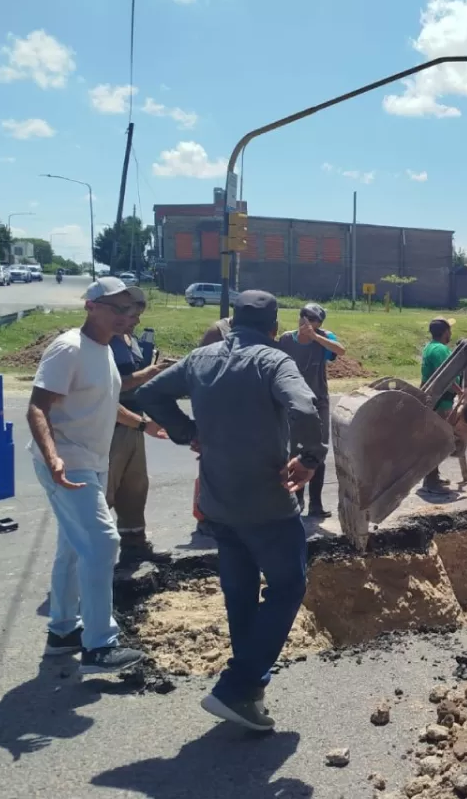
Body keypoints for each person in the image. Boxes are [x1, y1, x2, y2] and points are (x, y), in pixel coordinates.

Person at [137, 290, 325, 732]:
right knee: (288, 586)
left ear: (231, 320)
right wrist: (310, 458)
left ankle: (248, 695)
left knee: (239, 596)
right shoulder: (274, 361)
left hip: (218, 504)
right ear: (274, 327)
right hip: (268, 504)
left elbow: (148, 394)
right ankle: (237, 686)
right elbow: (305, 405)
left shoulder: (201, 359)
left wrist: (188, 432)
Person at [27, 276, 147, 674]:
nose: (123, 316)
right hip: (68, 459)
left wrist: (144, 425)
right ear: (90, 306)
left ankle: (63, 631)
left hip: (92, 459)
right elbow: (38, 407)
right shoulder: (69, 348)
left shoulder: (104, 350)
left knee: (74, 546)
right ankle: (99, 646)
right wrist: (53, 457)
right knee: (102, 541)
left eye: (126, 309)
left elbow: (107, 403)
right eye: (115, 307)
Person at [107, 300, 174, 567]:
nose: (136, 321)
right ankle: (88, 559)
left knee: (134, 489)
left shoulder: (130, 340)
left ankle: (134, 545)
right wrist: (147, 374)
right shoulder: (103, 345)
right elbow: (108, 391)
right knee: (105, 492)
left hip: (132, 424)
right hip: (110, 429)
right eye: (132, 315)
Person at [276, 303, 345, 519]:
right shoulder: (287, 339)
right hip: (293, 403)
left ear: (319, 323)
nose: (305, 321)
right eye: (303, 316)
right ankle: (296, 501)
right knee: (294, 452)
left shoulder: (325, 337)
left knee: (318, 452)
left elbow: (340, 350)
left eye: (311, 318)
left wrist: (316, 337)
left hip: (319, 402)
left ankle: (316, 504)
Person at [420, 316, 464, 494]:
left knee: (435, 438)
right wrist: (461, 391)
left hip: (434, 400)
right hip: (440, 401)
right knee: (438, 440)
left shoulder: (430, 347)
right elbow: (446, 374)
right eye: (449, 330)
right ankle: (431, 482)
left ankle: (433, 475)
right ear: (445, 332)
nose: (451, 333)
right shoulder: (440, 350)